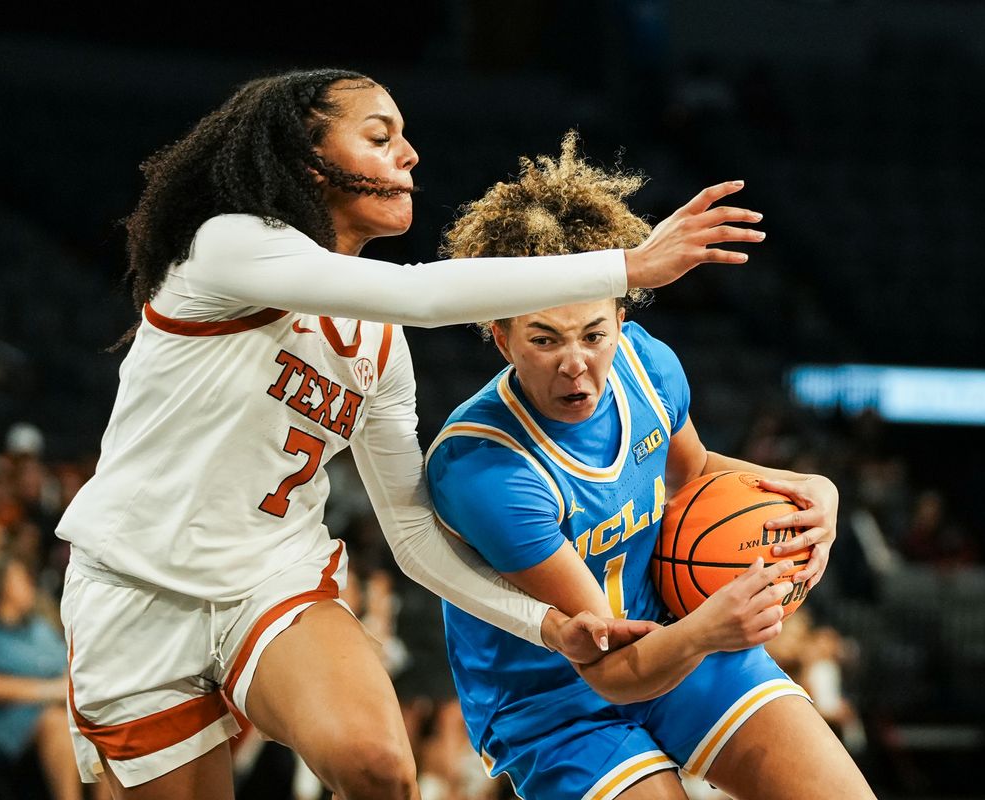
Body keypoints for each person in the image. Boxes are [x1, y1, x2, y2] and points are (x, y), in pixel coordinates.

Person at [56, 68, 767, 800]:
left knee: (379, 768)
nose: (410, 155)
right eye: (379, 136)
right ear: (308, 158)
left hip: (269, 582)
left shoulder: (377, 342)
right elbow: (422, 292)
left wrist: (548, 624)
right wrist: (630, 264)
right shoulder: (227, 247)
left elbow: (415, 536)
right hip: (135, 591)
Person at [426, 134, 876, 799]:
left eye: (593, 334)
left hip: (677, 635)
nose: (575, 363)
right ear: (500, 338)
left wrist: (807, 494)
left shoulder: (648, 365)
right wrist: (710, 628)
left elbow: (692, 476)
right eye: (544, 339)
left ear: (620, 317)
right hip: (554, 700)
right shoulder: (486, 468)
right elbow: (606, 668)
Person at [0, 554, 100, 800]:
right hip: (3, 721)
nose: (29, 584)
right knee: (57, 723)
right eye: (20, 579)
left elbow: (66, 664)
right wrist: (48, 691)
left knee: (99, 717)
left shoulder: (38, 628)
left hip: (60, 708)